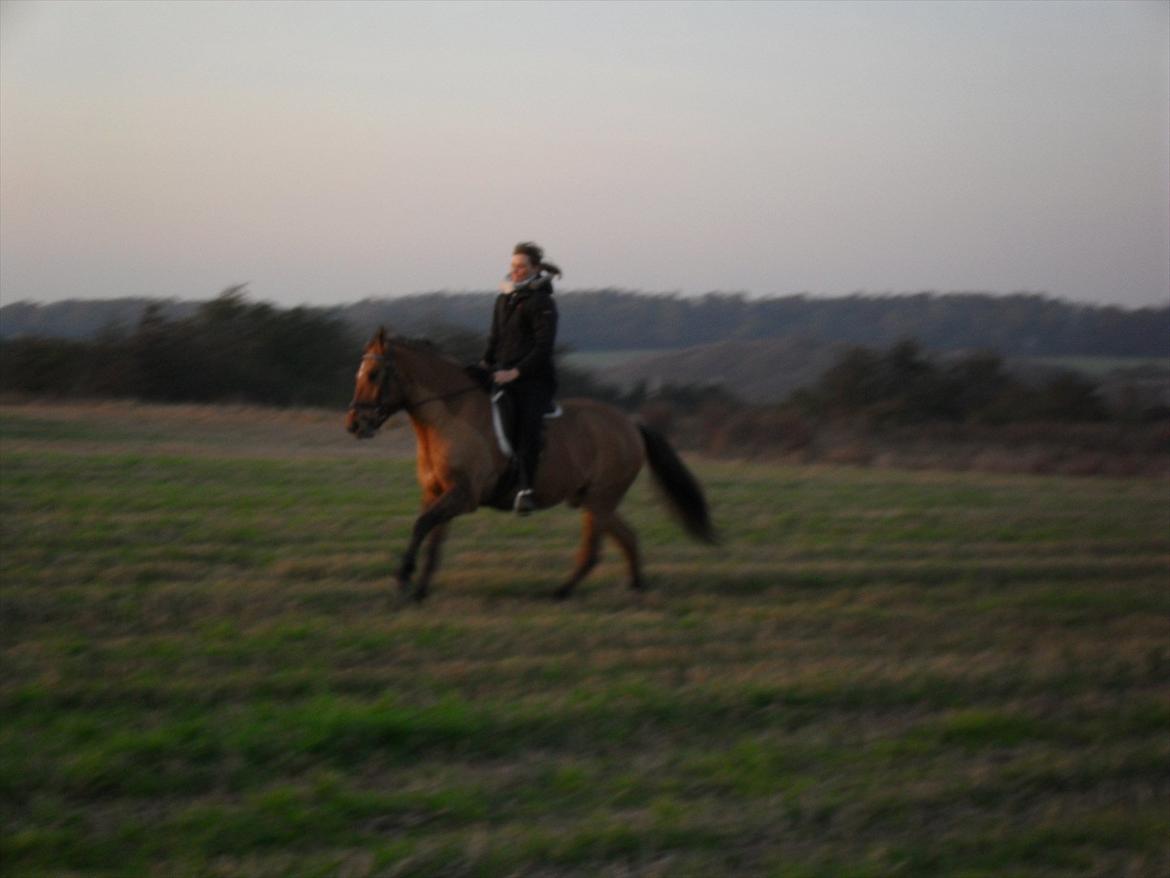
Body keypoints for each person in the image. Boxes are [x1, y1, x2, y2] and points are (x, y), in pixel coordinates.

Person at [481, 241, 560, 514]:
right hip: (502, 372)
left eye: (521, 267)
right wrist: (485, 364)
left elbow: (543, 347)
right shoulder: (503, 298)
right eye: (513, 266)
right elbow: (494, 338)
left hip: (534, 380)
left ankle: (525, 489)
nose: (515, 271)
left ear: (534, 269)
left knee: (527, 427)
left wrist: (516, 372)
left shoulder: (542, 302)